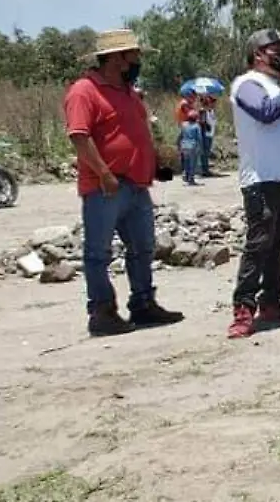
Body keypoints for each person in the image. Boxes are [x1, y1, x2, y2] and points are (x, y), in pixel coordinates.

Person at [63, 30, 185, 337]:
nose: (138, 61)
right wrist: (103, 173)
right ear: (117, 58)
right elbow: (79, 135)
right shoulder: (84, 91)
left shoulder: (130, 93)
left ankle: (143, 303)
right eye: (134, 55)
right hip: (106, 185)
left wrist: (154, 163)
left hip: (136, 184)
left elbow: (135, 134)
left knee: (143, 248)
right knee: (98, 253)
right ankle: (102, 311)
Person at [227, 29, 280, 339]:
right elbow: (264, 113)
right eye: (274, 48)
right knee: (258, 245)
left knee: (279, 244)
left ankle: (271, 300)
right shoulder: (247, 84)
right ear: (258, 54)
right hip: (261, 179)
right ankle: (243, 307)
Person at [177, 110, 202, 186]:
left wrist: (178, 144)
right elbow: (199, 137)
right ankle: (191, 179)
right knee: (192, 163)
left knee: (186, 163)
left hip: (184, 146)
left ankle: (186, 176)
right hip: (192, 146)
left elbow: (180, 135)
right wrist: (200, 146)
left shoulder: (183, 125)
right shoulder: (197, 126)